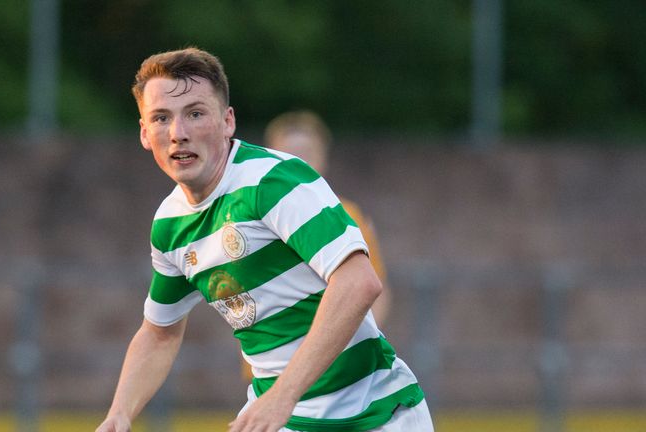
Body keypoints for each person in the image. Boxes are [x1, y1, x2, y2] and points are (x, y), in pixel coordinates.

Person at [96, 47, 433, 432]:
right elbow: (159, 333)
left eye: (195, 113)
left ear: (227, 121)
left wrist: (283, 397)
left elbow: (360, 282)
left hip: (375, 414)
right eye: (161, 118)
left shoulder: (273, 182)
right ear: (144, 132)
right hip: (281, 415)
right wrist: (119, 414)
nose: (178, 133)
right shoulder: (169, 225)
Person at [264, 111, 392, 325]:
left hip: (333, 350)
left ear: (324, 157)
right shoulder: (251, 215)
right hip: (269, 354)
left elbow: (376, 290)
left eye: (307, 153)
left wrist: (350, 344)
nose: (299, 162)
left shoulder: (347, 215)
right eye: (289, 153)